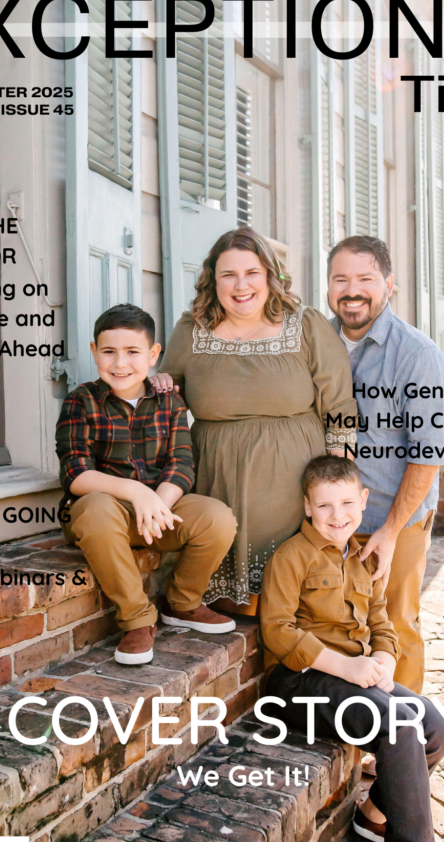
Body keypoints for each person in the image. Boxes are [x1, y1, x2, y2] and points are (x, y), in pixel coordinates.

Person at [259, 456, 444, 842]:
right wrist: (347, 667)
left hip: (358, 680)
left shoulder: (362, 556)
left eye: (346, 502)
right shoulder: (292, 556)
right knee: (400, 725)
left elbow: (381, 622)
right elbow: (277, 632)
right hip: (298, 686)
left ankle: (374, 816)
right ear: (307, 506)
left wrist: (383, 658)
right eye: (324, 505)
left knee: (433, 723)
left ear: (363, 503)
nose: (336, 514)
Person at [150, 227, 357, 614]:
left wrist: (336, 485)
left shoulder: (305, 325)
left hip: (293, 489)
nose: (241, 285)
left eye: (252, 273)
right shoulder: (191, 330)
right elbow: (167, 392)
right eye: (228, 274)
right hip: (216, 480)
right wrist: (157, 380)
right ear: (213, 280)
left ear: (270, 276)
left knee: (291, 603)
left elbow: (339, 406)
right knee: (227, 610)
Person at [55, 304, 238, 665]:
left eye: (132, 352)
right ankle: (138, 620)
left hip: (160, 509)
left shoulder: (168, 401)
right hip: (108, 515)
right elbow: (75, 473)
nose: (120, 363)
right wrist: (137, 494)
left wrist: (158, 502)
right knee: (93, 508)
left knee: (218, 517)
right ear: (94, 352)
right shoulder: (82, 401)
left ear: (153, 355)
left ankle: (183, 602)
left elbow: (182, 465)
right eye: (108, 352)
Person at [326, 235, 444, 695]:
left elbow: (428, 455)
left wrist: (391, 530)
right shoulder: (318, 344)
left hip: (390, 517)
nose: (352, 290)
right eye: (341, 278)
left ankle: (403, 745)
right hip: (329, 520)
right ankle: (353, 734)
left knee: (394, 624)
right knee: (339, 630)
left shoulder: (417, 356)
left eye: (365, 278)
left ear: (389, 284)